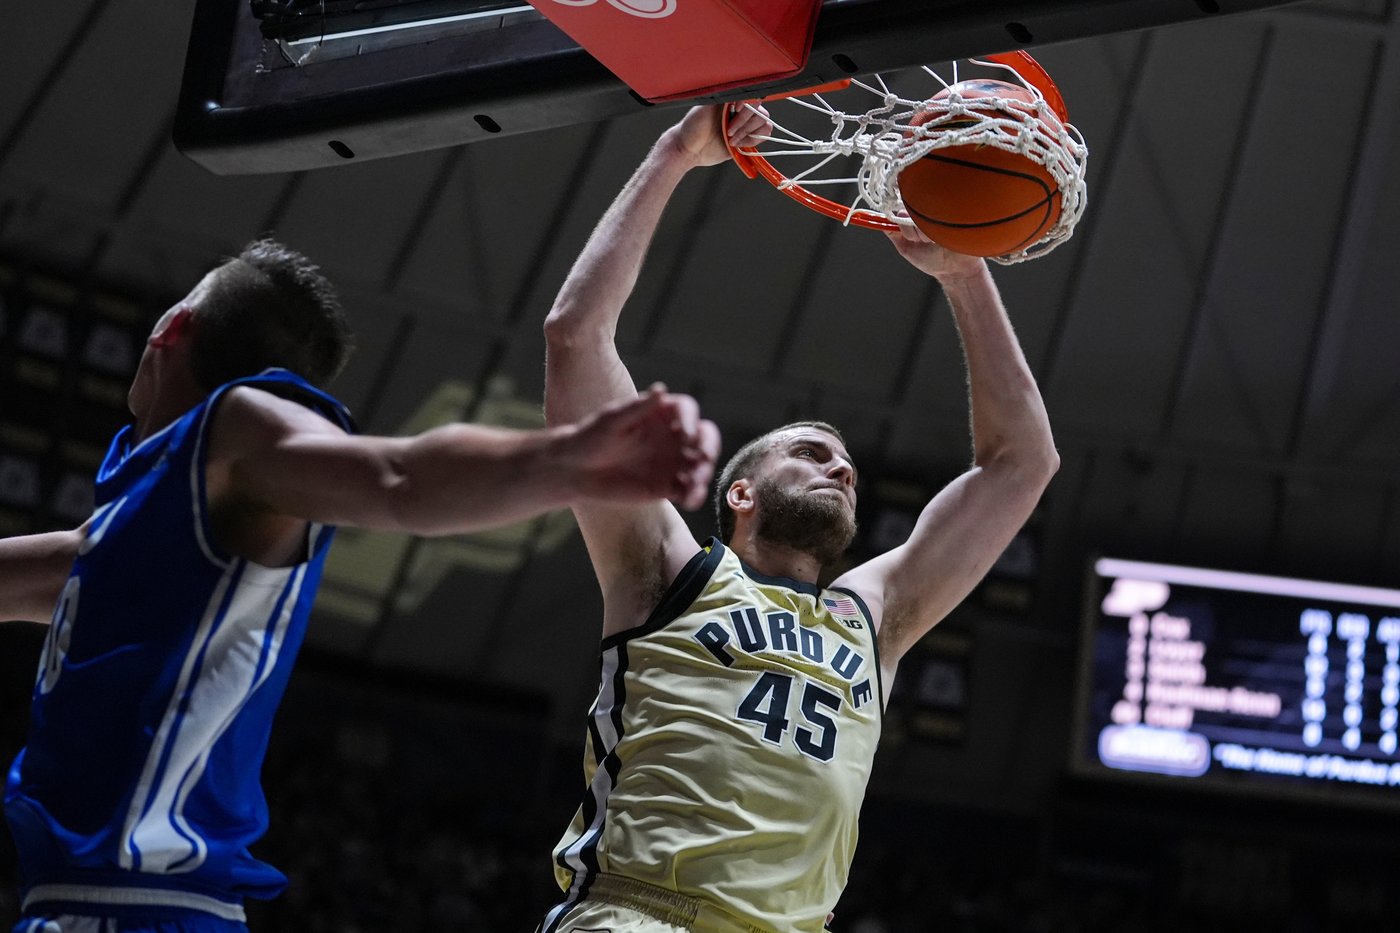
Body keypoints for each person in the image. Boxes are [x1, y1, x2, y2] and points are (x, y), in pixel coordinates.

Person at [0, 238, 721, 933]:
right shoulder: (129, 527)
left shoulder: (236, 427)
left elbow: (398, 479)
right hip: (78, 900)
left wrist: (571, 459)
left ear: (173, 327)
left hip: (135, 903)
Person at [538, 104, 1058, 933]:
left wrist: (965, 274)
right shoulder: (670, 568)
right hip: (642, 913)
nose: (839, 465)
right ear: (739, 493)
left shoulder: (874, 619)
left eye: (844, 462)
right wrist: (677, 153)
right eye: (809, 452)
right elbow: (576, 339)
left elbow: (1022, 464)